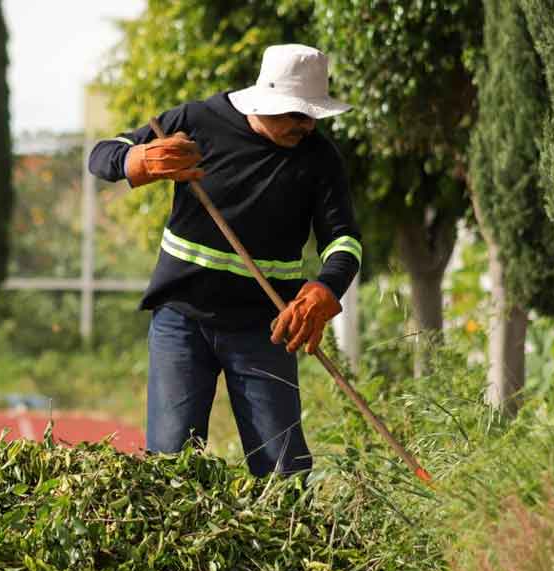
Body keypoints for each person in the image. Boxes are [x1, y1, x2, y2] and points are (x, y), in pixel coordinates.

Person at [88, 44, 362, 476]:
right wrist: (133, 159)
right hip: (181, 320)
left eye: (313, 115)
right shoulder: (196, 123)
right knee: (170, 466)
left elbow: (344, 240)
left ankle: (284, 539)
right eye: (296, 114)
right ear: (267, 99)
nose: (307, 126)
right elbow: (101, 154)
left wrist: (327, 287)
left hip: (266, 327)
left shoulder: (320, 159)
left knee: (283, 472)